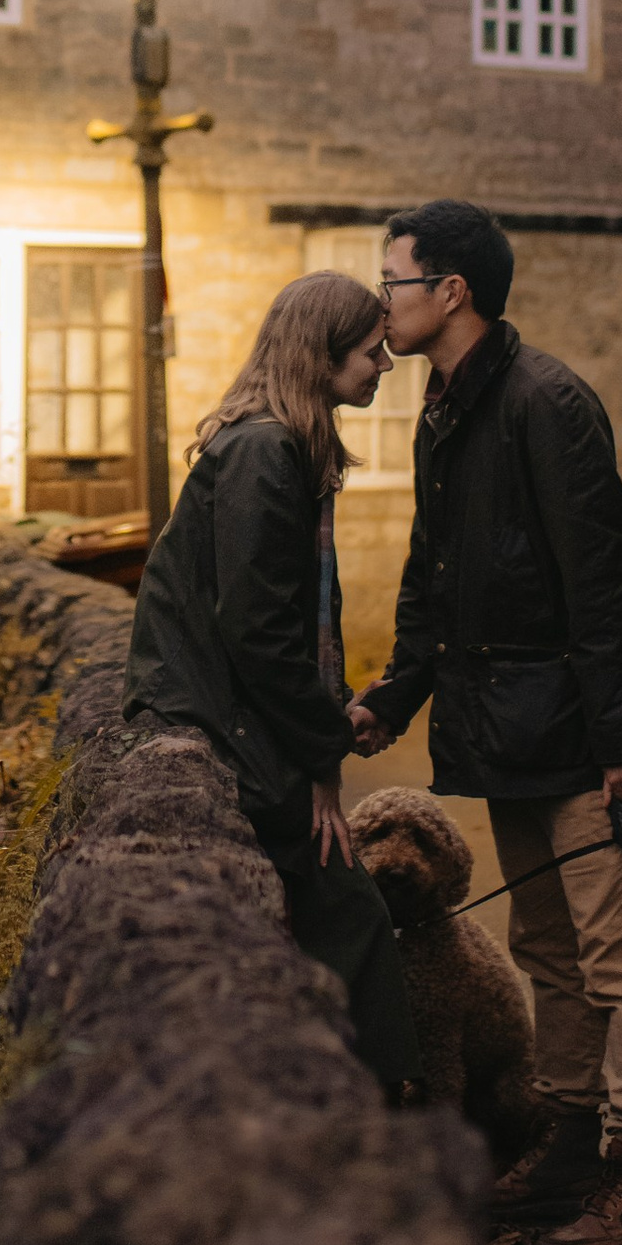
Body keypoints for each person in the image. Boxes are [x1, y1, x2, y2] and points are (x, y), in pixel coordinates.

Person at [349, 199, 622, 1245]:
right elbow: (432, 573)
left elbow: (604, 581)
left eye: (394, 281)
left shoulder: (550, 402)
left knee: (621, 960)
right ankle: (572, 1145)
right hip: (506, 732)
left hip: (585, 740)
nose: (382, 302)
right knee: (547, 949)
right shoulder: (444, 407)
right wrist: (394, 695)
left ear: (451, 292)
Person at [124, 270, 420, 1098]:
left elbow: (289, 616)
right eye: (371, 352)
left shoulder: (274, 444)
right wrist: (323, 752)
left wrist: (328, 723)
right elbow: (257, 630)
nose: (385, 365)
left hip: (232, 712)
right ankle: (381, 1117)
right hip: (218, 718)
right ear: (320, 355)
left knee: (338, 911)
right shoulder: (264, 452)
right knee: (350, 911)